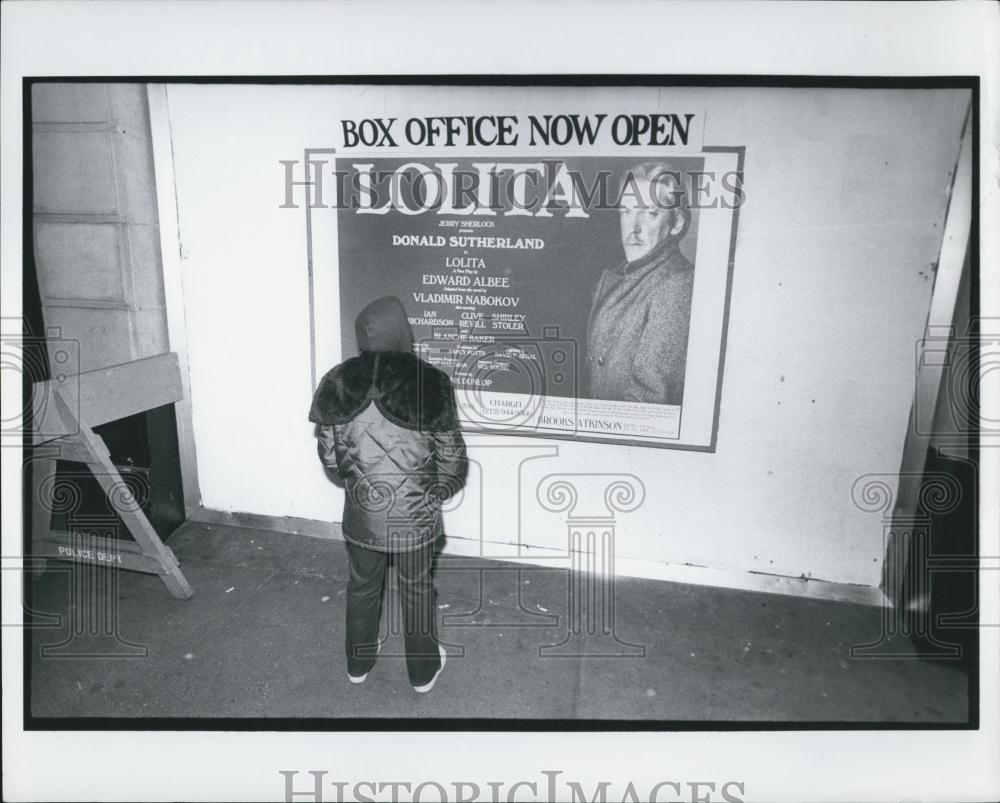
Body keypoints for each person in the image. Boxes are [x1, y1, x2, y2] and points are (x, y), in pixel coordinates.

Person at [309, 295, 467, 692]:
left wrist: (357, 484)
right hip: (415, 515)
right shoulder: (431, 381)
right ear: (404, 332)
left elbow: (330, 458)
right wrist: (435, 492)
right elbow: (452, 459)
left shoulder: (337, 380)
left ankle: (358, 664)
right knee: (416, 590)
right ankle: (422, 673)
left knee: (363, 586)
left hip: (363, 511)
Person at [586, 161, 695, 405]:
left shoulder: (677, 286)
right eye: (626, 211)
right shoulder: (625, 275)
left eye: (650, 213)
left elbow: (647, 404)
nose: (633, 229)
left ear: (676, 222)